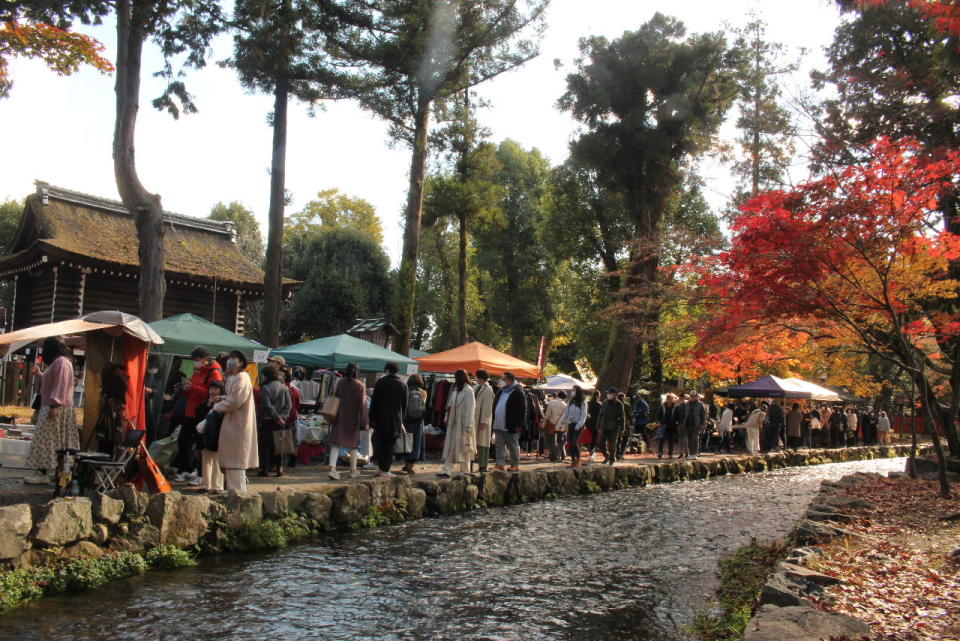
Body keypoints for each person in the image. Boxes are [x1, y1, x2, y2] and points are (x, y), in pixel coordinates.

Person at [24, 337, 79, 484]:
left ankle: (43, 473)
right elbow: (57, 382)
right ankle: (57, 473)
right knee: (56, 442)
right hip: (58, 406)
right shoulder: (63, 362)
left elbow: (60, 385)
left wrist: (55, 405)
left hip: (55, 407)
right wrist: (41, 374)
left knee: (46, 440)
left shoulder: (60, 362)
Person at [173, 347, 223, 484]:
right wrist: (186, 389)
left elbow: (212, 393)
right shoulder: (198, 371)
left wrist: (193, 388)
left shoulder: (214, 372)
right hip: (190, 411)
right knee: (183, 440)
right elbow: (193, 388)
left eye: (197, 360)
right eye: (194, 360)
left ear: (205, 359)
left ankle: (201, 474)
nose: (196, 363)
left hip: (202, 412)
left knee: (200, 444)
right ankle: (186, 469)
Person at [213, 350, 257, 493]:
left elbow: (235, 401)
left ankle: (238, 495)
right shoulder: (233, 377)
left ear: (242, 363)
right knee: (232, 463)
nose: (230, 361)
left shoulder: (242, 378)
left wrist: (217, 406)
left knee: (236, 462)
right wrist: (222, 399)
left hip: (239, 423)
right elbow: (231, 398)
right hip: (233, 422)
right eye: (230, 358)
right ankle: (234, 493)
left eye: (234, 359)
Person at [328, 363, 367, 480]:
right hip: (354, 418)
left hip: (340, 416)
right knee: (353, 445)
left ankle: (332, 469)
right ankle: (353, 470)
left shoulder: (340, 382)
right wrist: (365, 421)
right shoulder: (360, 385)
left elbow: (334, 397)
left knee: (336, 443)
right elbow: (363, 406)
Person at [368, 362, 407, 478]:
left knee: (380, 443)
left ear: (386, 370)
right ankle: (386, 470)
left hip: (380, 419)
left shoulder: (380, 383)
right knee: (390, 445)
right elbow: (404, 406)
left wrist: (372, 419)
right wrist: (401, 420)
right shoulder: (403, 384)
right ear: (397, 371)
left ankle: (381, 468)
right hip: (395, 419)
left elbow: (374, 402)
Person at [439, 369, 477, 478]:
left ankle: (460, 470)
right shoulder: (456, 390)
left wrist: (468, 425)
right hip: (454, 423)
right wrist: (447, 417)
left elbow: (471, 408)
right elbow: (450, 406)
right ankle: (449, 469)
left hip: (464, 423)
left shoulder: (469, 390)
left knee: (464, 446)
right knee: (454, 446)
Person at [258, 363, 292, 477]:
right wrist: (281, 418)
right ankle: (279, 468)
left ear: (267, 376)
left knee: (265, 446)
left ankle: (265, 469)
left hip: (267, 420)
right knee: (280, 444)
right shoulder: (284, 388)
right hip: (281, 421)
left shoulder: (265, 388)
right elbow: (289, 406)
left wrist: (276, 417)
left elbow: (267, 406)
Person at [492, 371, 526, 471]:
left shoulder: (518, 392)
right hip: (498, 423)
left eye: (503, 379)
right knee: (499, 445)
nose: (501, 381)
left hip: (511, 424)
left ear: (510, 380)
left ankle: (514, 464)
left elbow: (523, 410)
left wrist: (519, 424)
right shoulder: (500, 391)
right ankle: (500, 464)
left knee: (513, 446)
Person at [196, 380, 226, 493]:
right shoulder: (206, 402)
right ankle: (206, 485)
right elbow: (198, 414)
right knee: (206, 460)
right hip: (205, 435)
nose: (212, 391)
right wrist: (208, 404)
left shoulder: (223, 403)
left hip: (217, 435)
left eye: (215, 389)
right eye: (211, 389)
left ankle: (217, 486)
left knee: (217, 461)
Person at [402, 373, 428, 475]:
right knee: (416, 443)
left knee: (406, 440)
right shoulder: (423, 393)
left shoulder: (406, 391)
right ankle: (410, 467)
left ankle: (405, 464)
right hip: (418, 421)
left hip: (407, 420)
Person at [559, 385, 589, 467]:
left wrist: (579, 424)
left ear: (578, 391)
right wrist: (561, 423)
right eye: (572, 390)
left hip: (578, 424)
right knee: (570, 442)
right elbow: (566, 412)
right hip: (570, 423)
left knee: (574, 442)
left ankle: (578, 459)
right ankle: (573, 460)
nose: (572, 391)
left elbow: (584, 414)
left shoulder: (583, 401)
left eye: (574, 390)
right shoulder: (571, 400)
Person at [596, 387, 626, 465]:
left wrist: (622, 428)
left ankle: (612, 459)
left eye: (610, 393)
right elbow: (600, 414)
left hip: (614, 427)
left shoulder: (619, 404)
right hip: (604, 426)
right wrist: (598, 426)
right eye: (608, 393)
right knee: (601, 443)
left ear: (615, 394)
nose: (608, 395)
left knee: (612, 445)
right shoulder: (605, 402)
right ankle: (607, 456)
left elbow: (622, 417)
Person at [473, 369, 495, 472]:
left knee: (483, 443)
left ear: (481, 378)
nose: (475, 378)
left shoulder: (488, 389)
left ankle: (483, 465)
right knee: (475, 442)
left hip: (482, 419)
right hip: (475, 418)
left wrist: (484, 421)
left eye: (476, 376)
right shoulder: (476, 387)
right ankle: (473, 463)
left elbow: (488, 407)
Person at [679, 391, 706, 460]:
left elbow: (703, 414)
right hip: (688, 424)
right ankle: (690, 454)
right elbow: (684, 414)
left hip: (696, 424)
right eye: (691, 396)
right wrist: (682, 422)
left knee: (695, 438)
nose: (693, 397)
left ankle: (695, 453)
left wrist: (703, 424)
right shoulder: (687, 404)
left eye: (694, 396)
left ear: (697, 396)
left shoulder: (700, 404)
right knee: (689, 439)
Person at [542, 392, 567, 462]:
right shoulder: (565, 405)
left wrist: (543, 424)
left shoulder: (552, 403)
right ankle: (562, 453)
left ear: (558, 396)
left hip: (551, 424)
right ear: (564, 398)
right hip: (561, 426)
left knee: (551, 440)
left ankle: (554, 456)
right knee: (560, 441)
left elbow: (547, 415)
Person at [144, 354, 163, 443]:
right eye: (155, 367)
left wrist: (150, 390)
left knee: (150, 427)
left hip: (146, 404)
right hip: (141, 404)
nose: (156, 369)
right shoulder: (142, 373)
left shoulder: (151, 377)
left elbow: (156, 391)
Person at [656, 393, 679, 459]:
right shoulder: (662, 406)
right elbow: (658, 415)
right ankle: (660, 453)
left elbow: (678, 416)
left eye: (673, 399)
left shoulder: (675, 407)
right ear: (667, 399)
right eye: (670, 399)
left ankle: (670, 454)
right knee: (662, 439)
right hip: (663, 425)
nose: (672, 400)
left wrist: (677, 423)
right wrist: (658, 421)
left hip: (672, 425)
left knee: (671, 440)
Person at [617, 392, 634, 460]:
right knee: (625, 439)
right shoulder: (626, 405)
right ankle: (621, 452)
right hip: (625, 424)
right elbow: (630, 415)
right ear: (624, 398)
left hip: (617, 425)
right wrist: (632, 423)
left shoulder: (616, 405)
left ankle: (618, 453)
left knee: (617, 440)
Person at [586, 390, 603, 461]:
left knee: (592, 438)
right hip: (597, 423)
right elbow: (601, 415)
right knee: (594, 438)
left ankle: (591, 450)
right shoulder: (599, 405)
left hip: (589, 423)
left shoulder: (588, 403)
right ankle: (592, 451)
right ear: (598, 396)